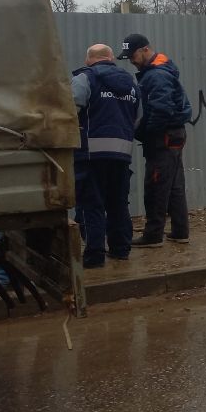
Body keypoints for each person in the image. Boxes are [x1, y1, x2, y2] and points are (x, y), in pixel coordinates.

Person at [120, 32, 193, 246]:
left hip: (163, 137)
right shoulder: (160, 71)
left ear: (145, 49)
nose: (131, 61)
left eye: (133, 56)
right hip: (173, 134)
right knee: (174, 185)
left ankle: (153, 235)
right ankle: (180, 231)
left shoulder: (156, 76)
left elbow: (161, 110)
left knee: (156, 185)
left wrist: (147, 133)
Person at [71, 44, 140, 267]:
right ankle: (121, 250)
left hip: (91, 155)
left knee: (91, 205)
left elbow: (70, 111)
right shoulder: (131, 84)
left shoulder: (85, 78)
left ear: (88, 60)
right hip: (122, 154)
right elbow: (138, 118)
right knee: (118, 203)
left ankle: (94, 256)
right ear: (111, 59)